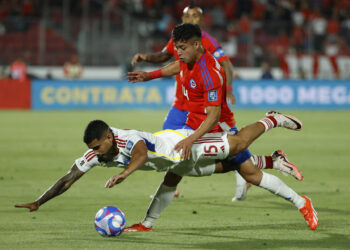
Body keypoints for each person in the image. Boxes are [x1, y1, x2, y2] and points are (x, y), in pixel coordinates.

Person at [14, 114, 317, 232]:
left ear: (108, 137)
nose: (95, 152)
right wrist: (39, 202)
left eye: (97, 146)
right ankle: (274, 161)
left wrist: (124, 175)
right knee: (234, 169)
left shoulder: (126, 138)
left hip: (182, 147)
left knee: (237, 145)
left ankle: (272, 119)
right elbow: (69, 177)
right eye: (92, 148)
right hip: (174, 164)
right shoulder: (98, 152)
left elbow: (141, 153)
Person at [128, 23, 302, 201]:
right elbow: (174, 64)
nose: (178, 51)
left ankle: (273, 123)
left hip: (216, 117)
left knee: (236, 155)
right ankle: (273, 161)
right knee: (209, 160)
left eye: (194, 15)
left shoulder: (207, 55)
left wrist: (229, 88)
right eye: (187, 15)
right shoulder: (185, 49)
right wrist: (150, 75)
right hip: (194, 115)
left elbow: (225, 65)